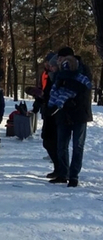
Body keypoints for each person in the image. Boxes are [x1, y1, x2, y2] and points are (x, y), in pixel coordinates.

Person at [48, 48, 93, 187]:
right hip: (63, 113)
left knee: (77, 146)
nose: (59, 61)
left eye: (60, 58)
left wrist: (66, 85)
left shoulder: (83, 69)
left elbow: (84, 87)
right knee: (62, 145)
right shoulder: (59, 72)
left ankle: (74, 175)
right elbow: (55, 88)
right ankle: (63, 173)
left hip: (79, 113)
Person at [32, 55, 59, 178]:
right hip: (47, 110)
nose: (47, 65)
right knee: (47, 140)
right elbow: (42, 93)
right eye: (47, 63)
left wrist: (42, 95)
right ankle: (58, 167)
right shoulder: (45, 75)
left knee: (52, 141)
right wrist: (36, 106)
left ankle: (61, 168)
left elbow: (49, 93)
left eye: (50, 63)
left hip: (54, 112)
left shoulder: (55, 76)